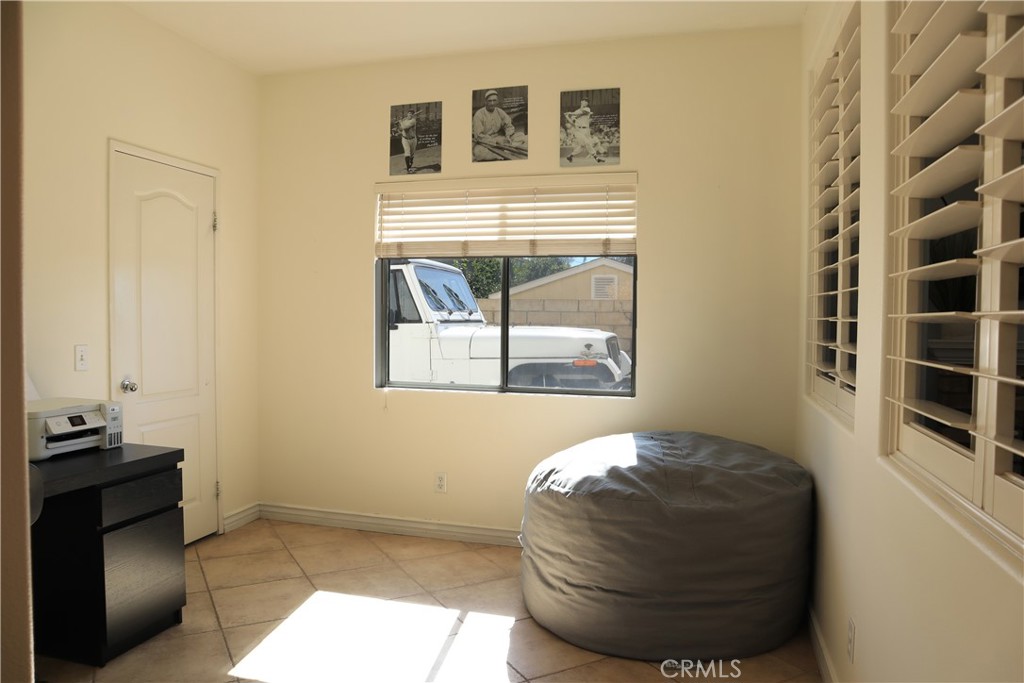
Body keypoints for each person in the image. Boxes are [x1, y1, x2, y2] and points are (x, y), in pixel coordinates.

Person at [472, 89, 527, 161]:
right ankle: (504, 152)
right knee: (479, 152)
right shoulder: (479, 115)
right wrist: (495, 142)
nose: (492, 103)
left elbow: (508, 125)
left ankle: (504, 150)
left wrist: (508, 135)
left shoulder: (499, 111)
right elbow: (479, 136)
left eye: (494, 100)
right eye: (490, 101)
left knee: (521, 136)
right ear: (485, 102)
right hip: (485, 142)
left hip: (501, 138)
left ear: (497, 101)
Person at [563, 98, 605, 164]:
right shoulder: (576, 111)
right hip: (578, 130)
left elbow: (582, 113)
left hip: (586, 130)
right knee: (587, 142)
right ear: (581, 102)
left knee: (582, 146)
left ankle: (570, 156)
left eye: (586, 102)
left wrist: (570, 113)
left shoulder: (587, 109)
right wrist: (567, 117)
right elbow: (572, 123)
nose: (585, 102)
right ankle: (596, 158)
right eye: (584, 101)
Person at [394, 109, 418, 173]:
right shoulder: (404, 121)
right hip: (405, 139)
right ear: (407, 114)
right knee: (407, 153)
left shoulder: (413, 121)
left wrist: (400, 122)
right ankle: (408, 169)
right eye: (409, 113)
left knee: (412, 155)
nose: (410, 114)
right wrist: (397, 125)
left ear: (413, 115)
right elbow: (401, 129)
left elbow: (405, 127)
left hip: (413, 139)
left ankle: (411, 162)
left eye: (411, 113)